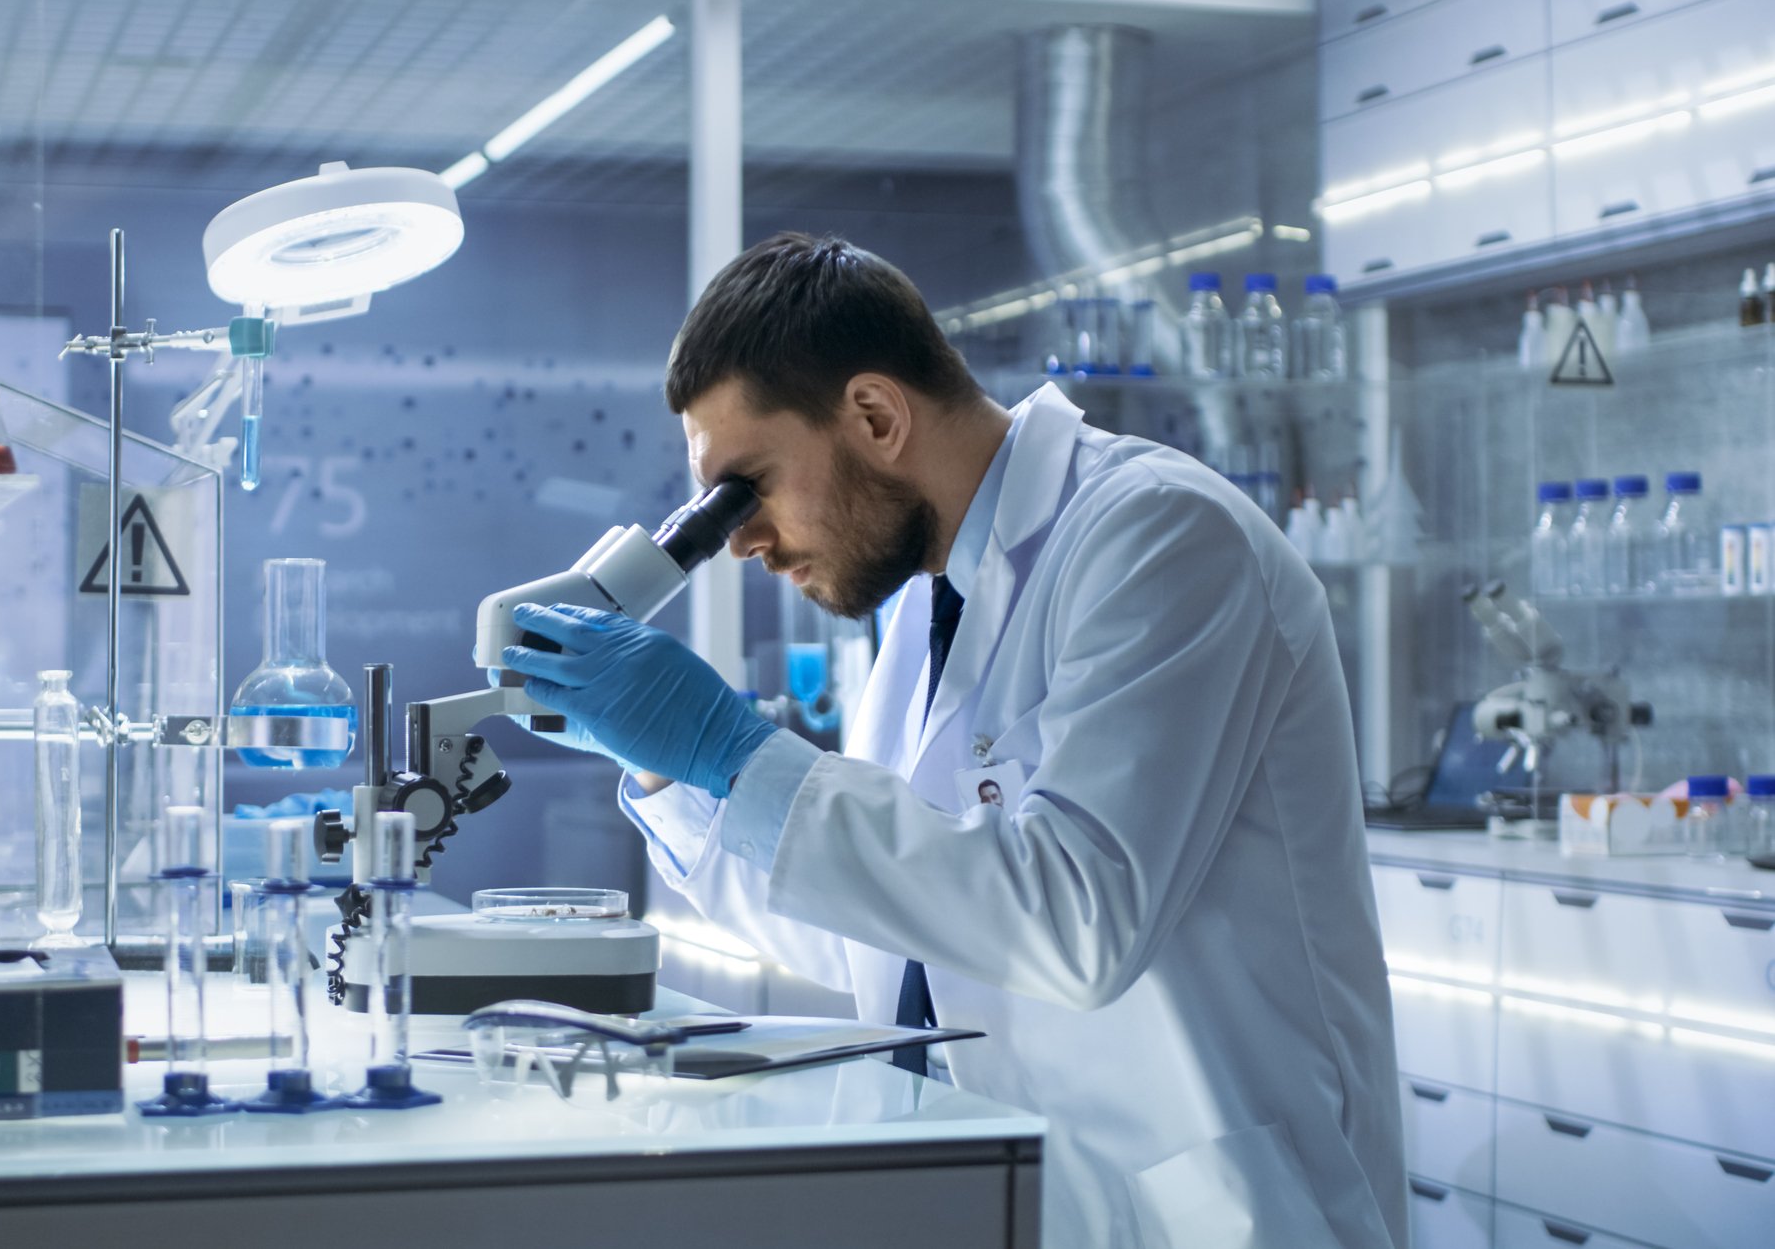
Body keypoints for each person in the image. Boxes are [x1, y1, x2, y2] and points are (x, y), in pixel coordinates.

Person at [499, 234, 1404, 1248]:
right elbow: (876, 924)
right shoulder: (933, 603)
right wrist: (665, 765)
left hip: (1210, 1213)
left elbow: (1076, 925)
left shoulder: (1162, 537)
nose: (739, 542)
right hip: (1012, 1188)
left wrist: (734, 749)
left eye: (743, 489)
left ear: (875, 416)